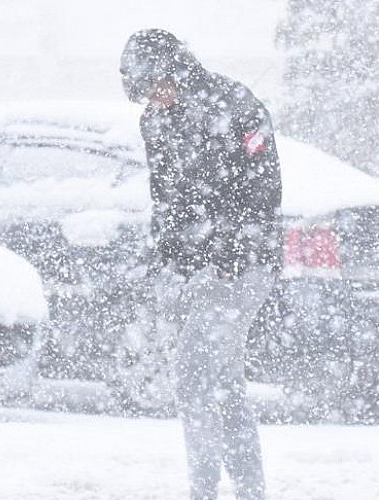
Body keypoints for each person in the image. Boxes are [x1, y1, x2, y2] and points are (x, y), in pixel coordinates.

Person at [120, 29, 283, 500]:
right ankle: (250, 491)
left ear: (176, 68)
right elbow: (166, 197)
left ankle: (203, 492)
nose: (156, 97)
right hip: (193, 272)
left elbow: (264, 184)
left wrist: (233, 244)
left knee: (193, 373)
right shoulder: (155, 121)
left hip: (244, 265)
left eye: (159, 84)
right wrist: (168, 255)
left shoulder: (234, 104)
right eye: (146, 92)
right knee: (224, 384)